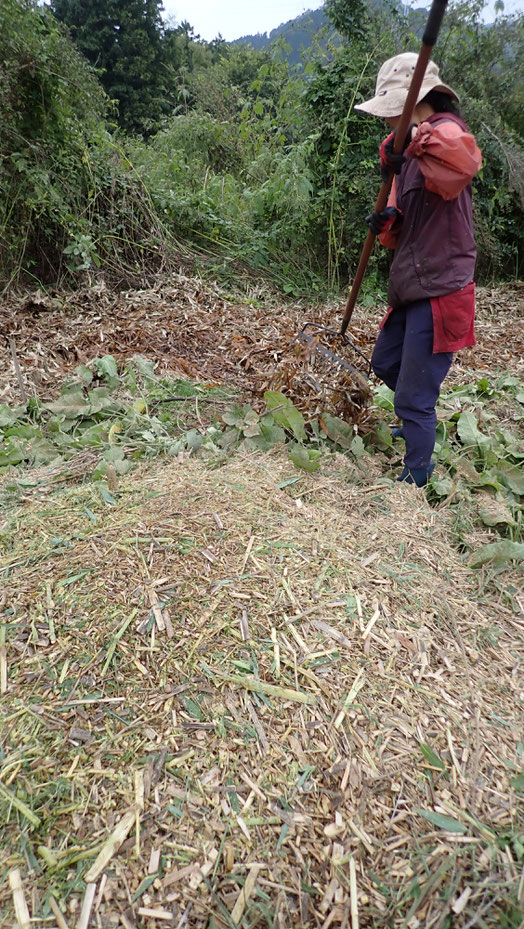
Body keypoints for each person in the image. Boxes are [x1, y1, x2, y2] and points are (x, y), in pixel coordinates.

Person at [355, 52, 482, 486]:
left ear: (416, 100)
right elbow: (407, 219)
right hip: (411, 283)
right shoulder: (409, 152)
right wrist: (386, 221)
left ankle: (417, 474)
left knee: (412, 393)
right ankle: (416, 418)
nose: (388, 124)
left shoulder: (447, 135)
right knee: (385, 362)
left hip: (441, 286)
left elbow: (463, 162)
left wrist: (410, 139)